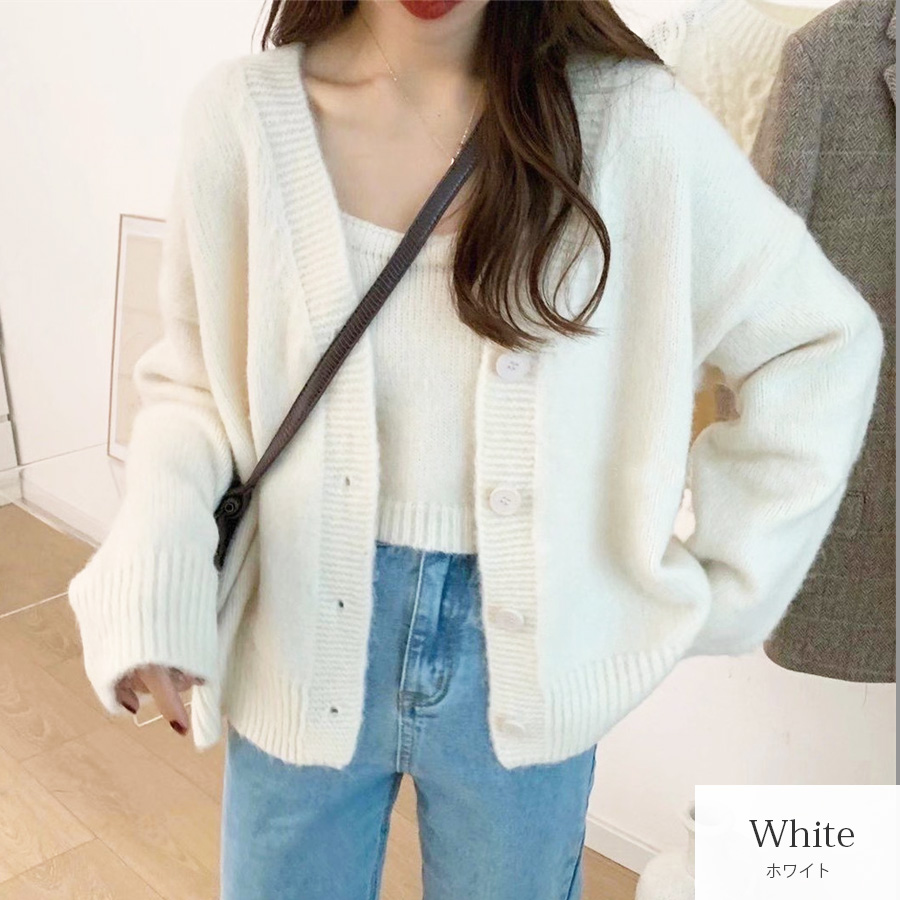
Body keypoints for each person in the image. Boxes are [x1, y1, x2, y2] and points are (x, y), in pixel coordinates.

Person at [66, 1, 885, 898]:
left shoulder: (634, 124)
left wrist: (728, 585)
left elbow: (819, 342)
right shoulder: (243, 118)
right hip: (293, 631)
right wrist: (157, 569)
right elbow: (194, 386)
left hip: (532, 663)